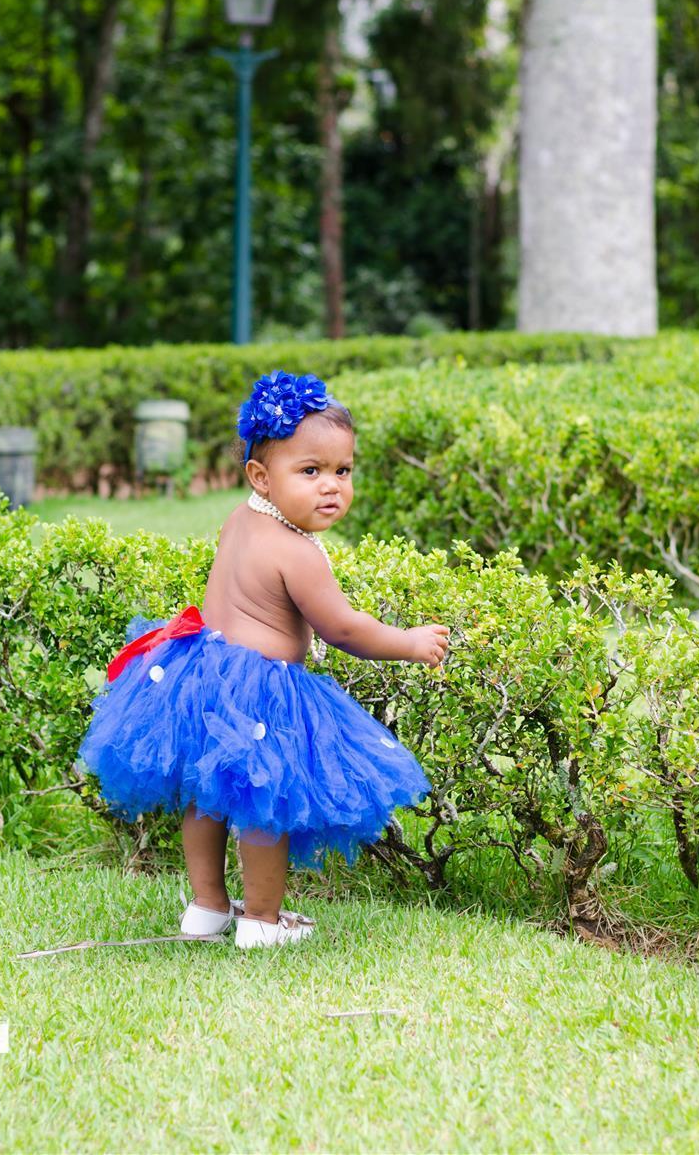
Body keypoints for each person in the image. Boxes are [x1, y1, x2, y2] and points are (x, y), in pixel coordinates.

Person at [77, 370, 449, 949]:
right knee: (261, 803)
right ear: (261, 476)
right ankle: (261, 921)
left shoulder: (241, 518)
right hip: (258, 689)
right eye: (310, 471)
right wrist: (410, 642)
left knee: (205, 795)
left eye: (342, 471)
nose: (332, 487)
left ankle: (206, 908)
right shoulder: (297, 552)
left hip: (200, 671)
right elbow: (343, 628)